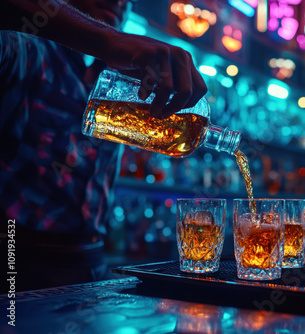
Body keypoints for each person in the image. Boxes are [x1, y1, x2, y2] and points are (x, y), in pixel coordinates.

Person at [0, 0, 207, 291]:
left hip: (92, 261)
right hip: (16, 260)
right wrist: (108, 40)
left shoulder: (121, 78)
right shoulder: (26, 50)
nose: (118, 1)